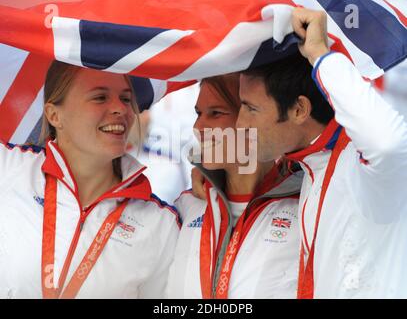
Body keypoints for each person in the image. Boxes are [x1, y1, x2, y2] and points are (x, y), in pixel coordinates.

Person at [236, 8, 407, 298]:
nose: (239, 123)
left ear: (300, 110)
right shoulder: (308, 164)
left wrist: (320, 55)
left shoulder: (361, 167)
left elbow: (389, 143)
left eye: (251, 109)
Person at [0, 61, 179, 299]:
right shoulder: (8, 168)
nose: (120, 109)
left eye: (126, 99)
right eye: (100, 97)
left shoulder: (161, 224)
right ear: (54, 115)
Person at [166, 73, 302, 299]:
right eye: (198, 113)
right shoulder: (186, 206)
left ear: (251, 118)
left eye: (216, 113)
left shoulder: (305, 204)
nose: (198, 126)